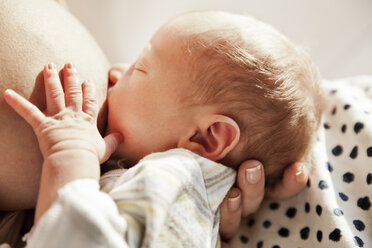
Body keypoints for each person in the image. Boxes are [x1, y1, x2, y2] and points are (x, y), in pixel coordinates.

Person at [3, 11, 321, 247]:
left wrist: (70, 153)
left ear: (206, 138)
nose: (115, 72)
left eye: (140, 69)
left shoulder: (172, 184)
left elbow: (78, 237)